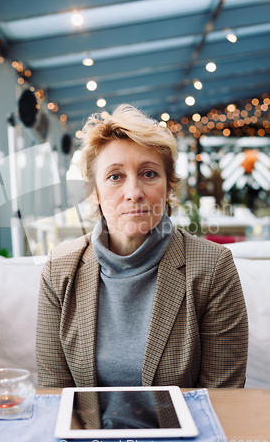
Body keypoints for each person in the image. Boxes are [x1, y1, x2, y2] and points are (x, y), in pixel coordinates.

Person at [36, 104, 248, 391]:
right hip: (86, 434)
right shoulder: (60, 268)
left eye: (149, 174)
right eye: (115, 176)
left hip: (184, 433)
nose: (134, 193)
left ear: (169, 186)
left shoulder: (213, 267)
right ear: (94, 192)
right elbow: (54, 394)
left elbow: (223, 400)